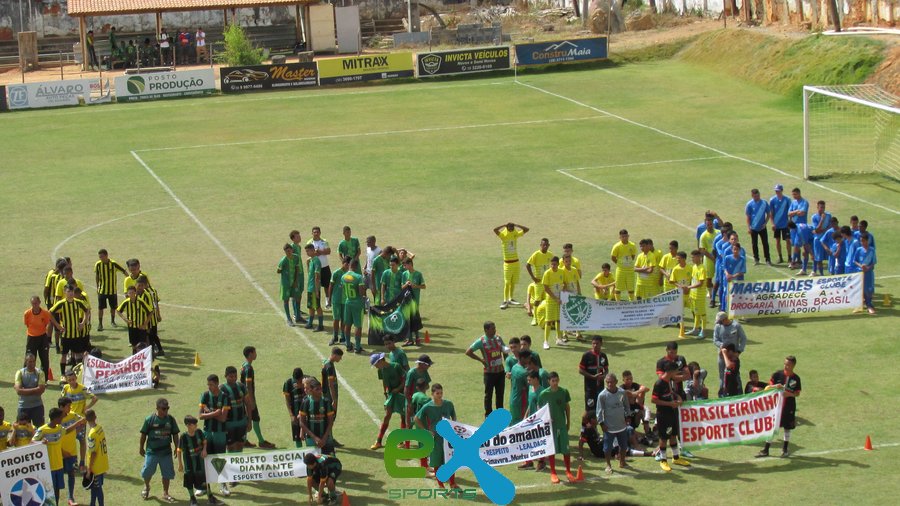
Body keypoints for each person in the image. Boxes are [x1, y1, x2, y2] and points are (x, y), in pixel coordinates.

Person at [35, 407, 85, 505]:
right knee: (49, 491)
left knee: (57, 489)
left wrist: (78, 423)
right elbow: (32, 441)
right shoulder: (42, 430)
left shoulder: (59, 428)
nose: (62, 419)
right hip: (49, 467)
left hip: (59, 466)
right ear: (56, 418)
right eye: (61, 418)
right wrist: (41, 442)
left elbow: (67, 430)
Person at [414, 383, 458, 489]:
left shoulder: (448, 404)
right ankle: (441, 485)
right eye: (437, 393)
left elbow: (454, 415)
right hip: (436, 438)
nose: (440, 395)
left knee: (450, 460)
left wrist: (454, 424)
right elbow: (416, 418)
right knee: (437, 461)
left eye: (441, 393)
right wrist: (426, 431)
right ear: (432, 394)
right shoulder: (428, 406)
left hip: (448, 437)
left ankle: (452, 483)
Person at [757, 356, 801, 458]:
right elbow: (767, 387)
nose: (786, 366)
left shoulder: (796, 378)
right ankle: (766, 449)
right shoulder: (777, 375)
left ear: (793, 366)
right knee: (772, 426)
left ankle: (785, 450)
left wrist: (789, 394)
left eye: (788, 365)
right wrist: (775, 386)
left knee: (787, 428)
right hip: (776, 406)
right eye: (785, 364)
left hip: (789, 407)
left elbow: (797, 393)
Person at [652, 362, 690, 472]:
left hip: (672, 413)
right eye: (676, 371)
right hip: (663, 415)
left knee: (673, 434)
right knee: (664, 438)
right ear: (670, 372)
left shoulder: (669, 381)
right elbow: (653, 400)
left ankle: (676, 457)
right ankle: (663, 460)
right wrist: (670, 404)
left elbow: (670, 393)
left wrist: (677, 397)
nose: (677, 373)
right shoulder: (659, 383)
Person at [465, 321, 508, 417]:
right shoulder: (481, 341)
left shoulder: (498, 338)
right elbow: (468, 352)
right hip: (489, 373)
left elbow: (504, 350)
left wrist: (507, 362)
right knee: (488, 396)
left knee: (500, 394)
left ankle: (500, 415)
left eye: (495, 328)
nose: (495, 330)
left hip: (500, 372)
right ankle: (488, 416)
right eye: (492, 328)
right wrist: (481, 360)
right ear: (486, 330)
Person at [538, 372, 575, 483]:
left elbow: (567, 407)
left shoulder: (563, 392)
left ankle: (568, 471)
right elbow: (540, 409)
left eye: (556, 380)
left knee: (566, 449)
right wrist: (546, 419)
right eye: (553, 381)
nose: (555, 383)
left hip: (561, 425)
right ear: (549, 381)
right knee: (551, 449)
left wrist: (568, 421)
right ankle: (553, 472)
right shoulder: (544, 394)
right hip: (550, 427)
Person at [140, 398, 179, 502]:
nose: (166, 411)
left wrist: (177, 447)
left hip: (166, 452)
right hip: (152, 452)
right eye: (163, 409)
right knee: (147, 471)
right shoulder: (150, 419)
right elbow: (143, 434)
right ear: (157, 408)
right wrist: (141, 447)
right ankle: (147, 486)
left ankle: (166, 493)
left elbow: (175, 434)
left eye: (167, 408)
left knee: (167, 473)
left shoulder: (170, 419)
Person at [177, 415, 219, 506]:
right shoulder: (183, 437)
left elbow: (205, 442)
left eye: (196, 423)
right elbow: (179, 451)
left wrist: (204, 449)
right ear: (188, 425)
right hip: (189, 464)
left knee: (205, 478)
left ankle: (210, 495)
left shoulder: (199, 432)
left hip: (200, 462)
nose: (196, 425)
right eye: (194, 424)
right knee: (189, 481)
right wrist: (180, 464)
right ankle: (192, 498)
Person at [51, 284, 91, 378]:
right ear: (65, 292)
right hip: (66, 335)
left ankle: (78, 373)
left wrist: (83, 323)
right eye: (68, 292)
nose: (70, 294)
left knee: (78, 354)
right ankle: (62, 374)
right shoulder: (61, 303)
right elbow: (50, 313)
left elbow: (87, 311)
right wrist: (58, 325)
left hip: (76, 334)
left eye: (72, 292)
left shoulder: (78, 302)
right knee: (64, 355)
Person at [198, 373, 229, 496]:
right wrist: (216, 412)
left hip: (220, 433)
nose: (209, 387)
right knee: (205, 459)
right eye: (208, 384)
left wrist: (209, 412)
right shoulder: (205, 395)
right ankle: (204, 486)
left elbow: (223, 419)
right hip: (207, 432)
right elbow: (200, 416)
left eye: (211, 384)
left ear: (217, 384)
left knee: (219, 459)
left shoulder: (225, 397)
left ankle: (223, 485)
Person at [62, 369, 98, 470]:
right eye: (69, 380)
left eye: (73, 379)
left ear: (76, 378)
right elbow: (61, 401)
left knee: (82, 441)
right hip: (69, 420)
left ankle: (82, 463)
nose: (72, 382)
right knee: (71, 442)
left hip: (81, 420)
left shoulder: (82, 389)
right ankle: (74, 462)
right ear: (67, 380)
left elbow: (95, 398)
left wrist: (87, 407)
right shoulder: (65, 388)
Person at [241, 346, 275, 449]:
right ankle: (261, 441)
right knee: (255, 418)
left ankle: (244, 440)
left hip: (243, 397)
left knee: (249, 418)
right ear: (250, 354)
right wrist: (251, 401)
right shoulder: (249, 368)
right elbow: (248, 385)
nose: (256, 354)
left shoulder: (244, 365)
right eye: (255, 352)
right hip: (248, 398)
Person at [370, 353, 405, 450]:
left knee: (403, 416)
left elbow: (405, 380)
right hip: (391, 394)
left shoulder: (396, 366)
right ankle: (379, 441)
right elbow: (384, 382)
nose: (376, 367)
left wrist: (398, 389)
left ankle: (402, 441)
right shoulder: (380, 370)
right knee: (387, 415)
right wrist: (385, 393)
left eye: (376, 364)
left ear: (381, 361)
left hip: (401, 394)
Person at [596, 373, 629, 475]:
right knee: (607, 448)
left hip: (621, 425)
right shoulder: (602, 395)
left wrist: (627, 417)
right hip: (609, 427)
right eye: (607, 382)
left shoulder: (622, 393)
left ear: (616, 382)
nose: (609, 384)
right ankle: (608, 465)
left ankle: (622, 461)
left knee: (623, 446)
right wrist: (602, 424)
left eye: (611, 382)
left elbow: (626, 406)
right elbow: (599, 411)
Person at [494, 222, 529, 309]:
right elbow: (495, 230)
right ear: (507, 227)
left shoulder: (515, 234)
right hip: (507, 263)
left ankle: (511, 299)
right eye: (510, 227)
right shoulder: (503, 236)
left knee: (513, 281)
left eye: (513, 227)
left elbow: (526, 229)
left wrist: (517, 225)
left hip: (516, 262)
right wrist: (503, 225)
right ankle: (505, 301)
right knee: (507, 282)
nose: (512, 228)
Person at [712, 311, 747, 395]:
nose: (719, 323)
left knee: (735, 375)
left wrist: (739, 351)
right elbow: (715, 340)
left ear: (725, 319)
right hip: (721, 356)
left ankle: (739, 393)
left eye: (720, 321)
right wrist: (722, 346)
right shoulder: (718, 327)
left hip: (733, 356)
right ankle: (722, 394)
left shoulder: (736, 326)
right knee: (722, 375)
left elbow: (743, 339)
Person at [298, 379, 335, 455]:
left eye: (320, 388)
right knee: (314, 461)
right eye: (317, 389)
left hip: (326, 438)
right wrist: (315, 438)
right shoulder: (306, 402)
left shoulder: (326, 402)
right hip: (311, 439)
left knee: (330, 461)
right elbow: (302, 423)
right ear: (311, 390)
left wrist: (324, 438)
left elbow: (331, 421)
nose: (320, 391)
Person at [222, 366, 251, 458]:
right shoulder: (222, 389)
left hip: (241, 422)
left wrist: (249, 421)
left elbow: (248, 404)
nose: (234, 378)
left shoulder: (241, 387)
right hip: (229, 424)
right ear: (225, 376)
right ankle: (232, 468)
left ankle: (239, 468)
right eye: (231, 376)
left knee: (240, 445)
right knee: (230, 447)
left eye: (235, 376)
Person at [341, 259, 367, 353]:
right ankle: (357, 347)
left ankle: (348, 345)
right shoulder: (359, 277)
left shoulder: (343, 276)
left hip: (348, 302)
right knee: (358, 325)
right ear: (356, 266)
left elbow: (343, 288)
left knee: (347, 324)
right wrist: (364, 289)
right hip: (357, 303)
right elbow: (360, 293)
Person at [24, 295, 54, 378]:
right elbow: (27, 324)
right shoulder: (27, 313)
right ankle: (26, 376)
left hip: (42, 337)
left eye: (36, 303)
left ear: (39, 303)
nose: (34, 305)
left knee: (44, 359)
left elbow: (46, 324)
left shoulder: (45, 313)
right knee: (29, 358)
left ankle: (44, 379)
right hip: (31, 338)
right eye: (33, 303)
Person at [540, 256, 566, 348]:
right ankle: (545, 342)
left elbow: (563, 283)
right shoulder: (547, 273)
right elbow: (546, 288)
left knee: (558, 319)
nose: (553, 266)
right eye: (551, 264)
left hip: (559, 299)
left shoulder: (561, 272)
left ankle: (558, 338)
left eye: (555, 264)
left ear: (558, 264)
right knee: (548, 321)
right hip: (551, 300)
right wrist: (555, 298)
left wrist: (562, 295)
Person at [15, 353, 47, 426]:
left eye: (33, 361)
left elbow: (41, 390)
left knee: (39, 429)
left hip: (37, 406)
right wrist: (36, 389)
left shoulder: (40, 373)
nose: (32, 363)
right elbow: (18, 391)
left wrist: (24, 390)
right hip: (23, 406)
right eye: (30, 361)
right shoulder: (20, 373)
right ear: (26, 362)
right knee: (21, 430)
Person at [135, 275, 163, 356]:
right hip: (150, 317)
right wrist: (158, 314)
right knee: (152, 335)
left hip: (149, 318)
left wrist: (157, 315)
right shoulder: (151, 290)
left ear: (145, 284)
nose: (139, 287)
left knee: (151, 335)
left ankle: (154, 351)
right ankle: (157, 350)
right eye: (138, 285)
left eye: (141, 285)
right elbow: (156, 304)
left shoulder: (147, 294)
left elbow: (153, 305)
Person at [83, 409, 107, 506]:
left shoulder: (91, 434)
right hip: (102, 463)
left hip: (95, 467)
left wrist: (89, 469)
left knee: (97, 488)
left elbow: (93, 453)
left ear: (86, 420)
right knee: (94, 487)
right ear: (95, 417)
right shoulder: (100, 428)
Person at [579, 336, 608, 412]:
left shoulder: (603, 356)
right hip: (590, 389)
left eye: (597, 343)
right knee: (589, 411)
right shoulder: (586, 355)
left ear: (601, 344)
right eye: (593, 343)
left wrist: (604, 375)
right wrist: (592, 377)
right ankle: (585, 424)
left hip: (600, 388)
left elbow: (606, 368)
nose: (595, 345)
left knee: (600, 410)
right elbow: (580, 370)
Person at [401, 258, 426, 345]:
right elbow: (402, 287)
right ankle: (410, 339)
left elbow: (424, 286)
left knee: (415, 319)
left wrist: (415, 286)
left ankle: (417, 338)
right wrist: (406, 284)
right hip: (406, 300)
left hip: (415, 300)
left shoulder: (418, 274)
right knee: (407, 319)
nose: (404, 267)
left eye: (405, 265)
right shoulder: (404, 274)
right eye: (404, 265)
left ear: (410, 264)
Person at [307, 226, 333, 310]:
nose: (316, 233)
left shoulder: (324, 241)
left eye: (317, 232)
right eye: (314, 232)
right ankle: (317, 303)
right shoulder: (309, 242)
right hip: (315, 268)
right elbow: (308, 253)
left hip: (325, 266)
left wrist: (319, 252)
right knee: (316, 284)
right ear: (312, 233)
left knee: (327, 285)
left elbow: (328, 251)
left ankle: (327, 301)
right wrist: (316, 253)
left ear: (320, 233)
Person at [404, 355, 433, 428]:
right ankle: (406, 439)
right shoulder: (411, 373)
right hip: (412, 401)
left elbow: (427, 385)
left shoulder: (425, 371)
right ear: (421, 364)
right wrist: (409, 403)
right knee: (409, 424)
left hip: (420, 401)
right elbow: (406, 388)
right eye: (428, 364)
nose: (429, 366)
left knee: (421, 422)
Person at [278, 243, 302, 327]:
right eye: (286, 251)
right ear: (284, 252)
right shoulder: (283, 260)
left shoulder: (296, 257)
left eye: (289, 250)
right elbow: (278, 270)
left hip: (294, 282)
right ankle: (289, 318)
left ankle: (298, 316)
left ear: (292, 250)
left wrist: (296, 281)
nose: (288, 252)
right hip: (286, 284)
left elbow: (297, 268)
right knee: (286, 300)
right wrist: (282, 270)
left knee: (297, 297)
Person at [745, 189, 772, 265]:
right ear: (752, 196)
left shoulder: (764, 203)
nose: (757, 197)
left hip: (762, 228)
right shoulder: (749, 204)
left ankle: (768, 259)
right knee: (754, 244)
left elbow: (768, 214)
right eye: (755, 196)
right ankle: (756, 259)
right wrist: (749, 227)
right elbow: (748, 217)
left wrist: (765, 223)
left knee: (765, 243)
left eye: (758, 195)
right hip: (753, 228)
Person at [320, 348, 342, 441]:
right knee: (331, 417)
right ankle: (329, 438)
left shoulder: (327, 362)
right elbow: (330, 384)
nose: (340, 359)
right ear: (334, 355)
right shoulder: (329, 366)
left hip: (326, 394)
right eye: (339, 357)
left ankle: (330, 437)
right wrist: (334, 399)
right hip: (329, 396)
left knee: (329, 417)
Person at [852, 232, 877, 314]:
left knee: (868, 289)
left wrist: (868, 268)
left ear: (867, 241)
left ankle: (869, 305)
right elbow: (854, 260)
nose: (862, 243)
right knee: (860, 289)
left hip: (869, 273)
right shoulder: (859, 250)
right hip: (860, 272)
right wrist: (861, 266)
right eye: (861, 241)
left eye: (863, 241)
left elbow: (874, 262)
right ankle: (860, 305)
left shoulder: (872, 250)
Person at [611, 229, 638, 301]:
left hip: (630, 270)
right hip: (620, 270)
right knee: (618, 288)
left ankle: (631, 302)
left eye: (625, 236)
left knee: (631, 288)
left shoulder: (632, 245)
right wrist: (620, 264)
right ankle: (618, 303)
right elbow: (613, 257)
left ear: (628, 236)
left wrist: (627, 263)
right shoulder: (616, 246)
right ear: (620, 237)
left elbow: (633, 256)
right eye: (622, 237)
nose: (624, 238)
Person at [687, 250, 709, 337]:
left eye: (693, 257)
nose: (692, 259)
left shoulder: (702, 268)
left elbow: (700, 283)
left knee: (702, 313)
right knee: (696, 312)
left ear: (698, 257)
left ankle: (703, 331)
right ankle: (695, 329)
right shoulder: (694, 267)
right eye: (691, 257)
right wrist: (690, 291)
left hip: (700, 295)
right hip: (693, 294)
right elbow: (693, 280)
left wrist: (689, 287)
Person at [304, 243, 325, 331]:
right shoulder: (312, 260)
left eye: (308, 251)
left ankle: (320, 325)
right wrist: (307, 262)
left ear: (313, 250)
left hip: (314, 288)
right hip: (310, 287)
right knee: (310, 306)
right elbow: (309, 271)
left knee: (317, 306)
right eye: (306, 251)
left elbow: (317, 276)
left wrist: (317, 290)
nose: (307, 253)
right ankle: (310, 323)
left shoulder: (316, 261)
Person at [283, 367, 306, 448]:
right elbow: (287, 400)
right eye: (296, 380)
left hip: (308, 415)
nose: (298, 382)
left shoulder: (308, 381)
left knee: (309, 436)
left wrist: (303, 387)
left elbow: (316, 393)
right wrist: (291, 415)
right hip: (296, 415)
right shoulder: (288, 383)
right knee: (297, 438)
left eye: (300, 380)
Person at [788, 187, 810, 269]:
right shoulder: (793, 202)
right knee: (794, 244)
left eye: (795, 194)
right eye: (793, 194)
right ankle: (799, 260)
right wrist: (796, 211)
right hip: (793, 227)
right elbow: (789, 213)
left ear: (799, 193)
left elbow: (802, 213)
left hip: (801, 227)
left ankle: (793, 262)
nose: (794, 196)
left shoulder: (804, 202)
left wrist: (794, 213)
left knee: (799, 244)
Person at [769, 184, 791, 264]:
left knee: (788, 240)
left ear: (782, 190)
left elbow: (790, 211)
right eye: (776, 191)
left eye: (778, 190)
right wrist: (772, 224)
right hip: (777, 225)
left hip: (785, 224)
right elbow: (771, 213)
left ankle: (789, 257)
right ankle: (780, 257)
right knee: (777, 241)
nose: (777, 192)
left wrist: (789, 222)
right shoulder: (772, 200)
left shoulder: (787, 199)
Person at [508, 351, 531, 425]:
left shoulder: (514, 367)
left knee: (513, 421)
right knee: (521, 423)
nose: (529, 360)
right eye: (528, 358)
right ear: (522, 358)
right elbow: (529, 386)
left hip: (513, 397)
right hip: (521, 400)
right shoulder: (524, 373)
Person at [289, 230, 307, 322]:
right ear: (293, 238)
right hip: (296, 273)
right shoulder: (292, 247)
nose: (299, 237)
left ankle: (297, 311)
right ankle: (296, 315)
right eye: (297, 236)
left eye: (299, 235)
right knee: (296, 293)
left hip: (301, 272)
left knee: (300, 292)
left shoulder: (299, 247)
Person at [810, 200, 832, 276]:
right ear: (817, 207)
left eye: (823, 207)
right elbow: (817, 230)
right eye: (821, 207)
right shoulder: (814, 217)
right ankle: (821, 275)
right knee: (819, 259)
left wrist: (823, 230)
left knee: (830, 256)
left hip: (826, 240)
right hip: (818, 240)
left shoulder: (828, 215)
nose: (822, 209)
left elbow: (830, 226)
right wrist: (822, 220)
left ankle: (831, 273)